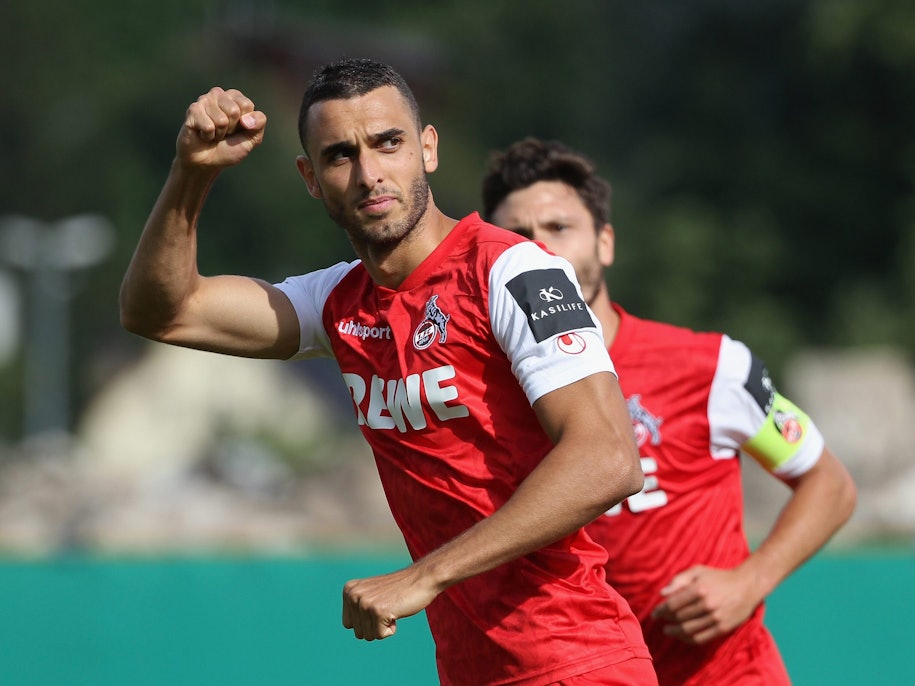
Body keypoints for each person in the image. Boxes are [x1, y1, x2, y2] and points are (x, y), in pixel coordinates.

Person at [119, 60, 659, 685]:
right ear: (311, 179)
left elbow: (609, 458)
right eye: (340, 155)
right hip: (473, 670)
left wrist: (424, 575)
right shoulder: (337, 302)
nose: (369, 173)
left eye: (388, 143)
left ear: (427, 149)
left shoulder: (513, 271)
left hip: (577, 659)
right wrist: (192, 172)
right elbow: (162, 312)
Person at [481, 137, 857, 686]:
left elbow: (830, 484)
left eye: (559, 227)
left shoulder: (708, 365)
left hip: (725, 673)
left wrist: (749, 581)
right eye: (515, 237)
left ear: (605, 242)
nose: (537, 250)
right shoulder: (482, 393)